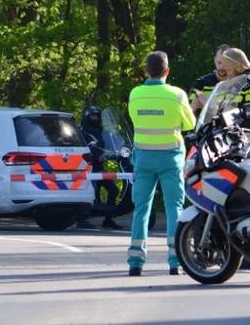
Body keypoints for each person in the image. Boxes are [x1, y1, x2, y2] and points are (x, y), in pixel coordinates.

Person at [126, 51, 196, 277]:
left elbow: (135, 119)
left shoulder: (135, 94)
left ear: (146, 71)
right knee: (174, 207)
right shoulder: (177, 95)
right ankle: (176, 260)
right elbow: (190, 124)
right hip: (170, 157)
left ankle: (135, 261)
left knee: (141, 209)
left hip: (143, 157)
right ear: (167, 71)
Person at [76, 105, 123, 231]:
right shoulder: (81, 132)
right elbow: (86, 149)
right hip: (87, 168)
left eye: (97, 116)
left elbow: (112, 144)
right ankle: (82, 219)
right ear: (86, 117)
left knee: (113, 190)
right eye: (92, 116)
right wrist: (97, 153)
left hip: (99, 168)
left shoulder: (102, 132)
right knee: (91, 191)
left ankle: (108, 219)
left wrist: (119, 150)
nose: (95, 118)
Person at [187, 43, 232, 115]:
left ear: (232, 62)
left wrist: (207, 103)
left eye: (225, 63)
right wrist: (192, 108)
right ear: (214, 60)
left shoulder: (240, 83)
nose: (221, 67)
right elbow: (187, 114)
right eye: (219, 63)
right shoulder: (200, 84)